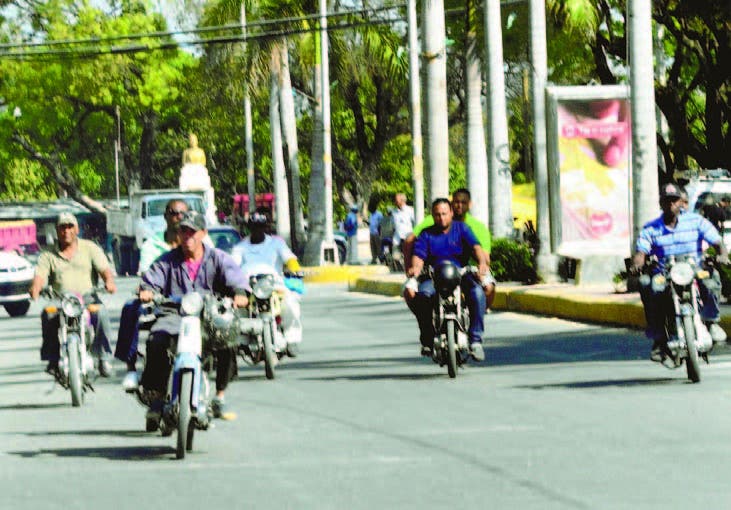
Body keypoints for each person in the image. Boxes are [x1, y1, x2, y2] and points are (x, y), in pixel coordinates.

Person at [139, 211, 249, 421]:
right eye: (183, 231)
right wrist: (147, 290)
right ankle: (156, 397)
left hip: (209, 315)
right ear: (178, 234)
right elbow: (152, 279)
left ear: (203, 233)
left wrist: (240, 293)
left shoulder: (217, 258)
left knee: (229, 338)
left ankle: (219, 395)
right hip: (174, 314)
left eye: (192, 232)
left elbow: (236, 278)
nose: (188, 236)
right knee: (156, 340)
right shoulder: (167, 261)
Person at [633, 182, 729, 362]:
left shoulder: (696, 221)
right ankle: (659, 337)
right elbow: (641, 252)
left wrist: (722, 254)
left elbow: (717, 242)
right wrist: (638, 262)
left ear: (682, 202)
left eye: (675, 200)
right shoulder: (651, 228)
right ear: (661, 203)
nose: (671, 204)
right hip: (665, 274)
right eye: (667, 201)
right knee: (652, 287)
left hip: (694, 270)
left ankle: (711, 321)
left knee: (711, 279)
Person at [29, 212, 117, 377]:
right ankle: (53, 359)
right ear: (57, 230)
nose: (66, 231)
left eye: (70, 227)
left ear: (76, 229)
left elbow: (105, 269)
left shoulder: (89, 247)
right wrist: (35, 288)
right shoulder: (48, 253)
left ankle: (103, 357)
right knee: (48, 314)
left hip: (87, 297)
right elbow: (40, 276)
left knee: (101, 313)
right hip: (60, 299)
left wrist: (109, 282)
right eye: (62, 227)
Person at [115, 199, 189, 391]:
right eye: (174, 213)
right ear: (166, 217)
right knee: (131, 308)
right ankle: (131, 368)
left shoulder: (200, 241)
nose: (178, 217)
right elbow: (148, 277)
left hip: (192, 301)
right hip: (162, 301)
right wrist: (149, 292)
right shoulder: (152, 245)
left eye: (183, 213)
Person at [404, 198, 489, 361]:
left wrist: (482, 263)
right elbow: (419, 256)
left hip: (460, 274)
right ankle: (427, 339)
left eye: (444, 214)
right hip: (434, 275)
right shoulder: (426, 234)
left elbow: (476, 247)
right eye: (437, 215)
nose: (441, 218)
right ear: (432, 215)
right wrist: (416, 268)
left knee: (478, 293)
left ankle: (476, 341)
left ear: (451, 213)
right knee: (423, 296)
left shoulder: (462, 229)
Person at [403, 188, 496, 307]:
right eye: (456, 202)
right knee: (413, 291)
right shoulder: (432, 223)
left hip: (464, 272)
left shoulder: (474, 227)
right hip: (434, 272)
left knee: (485, 288)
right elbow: (409, 241)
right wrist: (412, 268)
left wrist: (482, 265)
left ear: (470, 204)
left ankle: (478, 316)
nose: (459, 206)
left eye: (464, 202)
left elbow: (482, 254)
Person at [231, 211, 304, 356]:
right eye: (254, 227)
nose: (257, 230)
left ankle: (292, 339)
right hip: (249, 286)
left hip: (274, 284)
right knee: (236, 307)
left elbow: (289, 259)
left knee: (291, 303)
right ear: (249, 228)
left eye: (260, 226)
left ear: (265, 227)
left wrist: (295, 269)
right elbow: (232, 266)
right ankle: (243, 340)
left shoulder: (276, 243)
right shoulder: (240, 247)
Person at [391, 193, 415, 260]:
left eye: (396, 200)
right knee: (396, 259)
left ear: (402, 201)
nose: (395, 202)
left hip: (408, 239)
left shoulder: (410, 210)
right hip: (397, 239)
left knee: (408, 259)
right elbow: (393, 226)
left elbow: (416, 224)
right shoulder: (394, 212)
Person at [367, 200, 384, 265]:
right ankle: (374, 259)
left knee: (378, 246)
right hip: (371, 233)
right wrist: (367, 222)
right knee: (372, 246)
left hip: (377, 233)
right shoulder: (371, 214)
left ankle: (381, 259)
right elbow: (371, 223)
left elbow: (381, 224)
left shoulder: (379, 214)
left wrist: (380, 233)